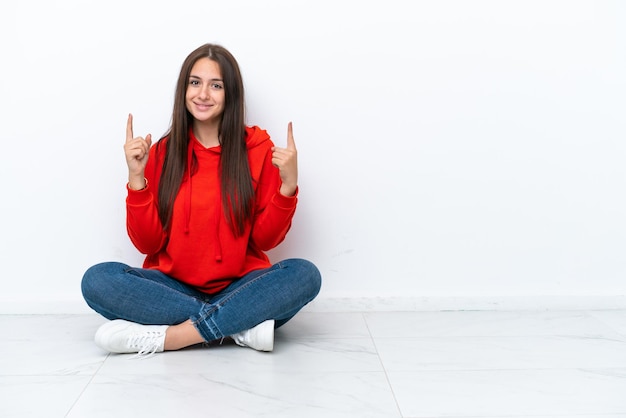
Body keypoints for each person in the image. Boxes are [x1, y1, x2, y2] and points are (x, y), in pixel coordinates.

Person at [81, 43, 321, 356]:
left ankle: (175, 337)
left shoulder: (258, 148)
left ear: (230, 93)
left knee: (304, 275)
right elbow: (148, 245)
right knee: (97, 280)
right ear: (184, 90)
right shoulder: (162, 153)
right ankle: (239, 326)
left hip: (241, 286)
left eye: (216, 85)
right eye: (195, 83)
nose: (203, 94)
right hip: (173, 288)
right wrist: (136, 179)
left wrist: (288, 186)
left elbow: (265, 239)